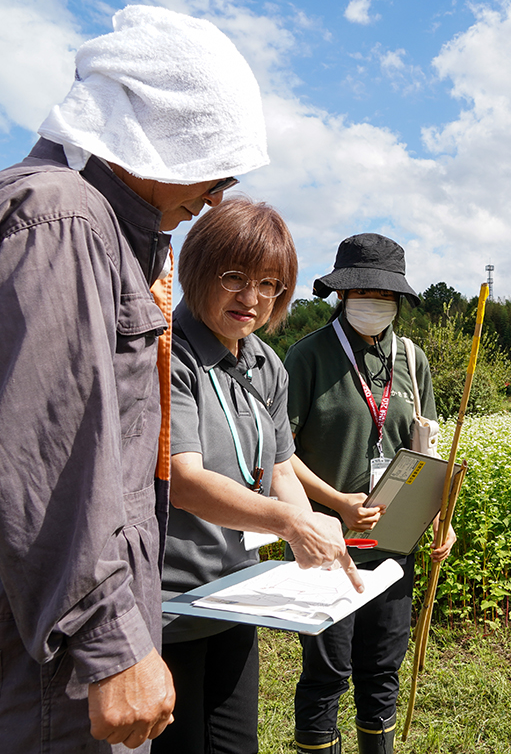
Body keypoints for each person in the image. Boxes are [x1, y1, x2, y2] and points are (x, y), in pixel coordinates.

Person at [0, 5, 353, 752]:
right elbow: (51, 462)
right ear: (158, 137)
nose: (212, 196)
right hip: (31, 660)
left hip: (32, 636)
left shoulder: (82, 222)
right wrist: (112, 643)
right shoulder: (64, 222)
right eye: (212, 166)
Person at [154, 198, 361, 754]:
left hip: (237, 592)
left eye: (270, 284)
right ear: (198, 272)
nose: (252, 299)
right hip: (170, 601)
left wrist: (313, 532)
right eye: (234, 278)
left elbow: (278, 465)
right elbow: (184, 479)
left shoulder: (265, 363)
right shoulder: (170, 354)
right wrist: (292, 523)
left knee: (237, 743)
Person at [284, 233, 457, 754]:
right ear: (341, 293)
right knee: (327, 671)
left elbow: (423, 450)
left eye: (385, 294)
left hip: (394, 547)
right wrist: (338, 502)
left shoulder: (412, 359)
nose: (374, 302)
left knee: (381, 670)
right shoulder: (307, 357)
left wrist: (441, 517)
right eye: (362, 290)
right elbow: (279, 457)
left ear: (398, 300)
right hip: (327, 545)